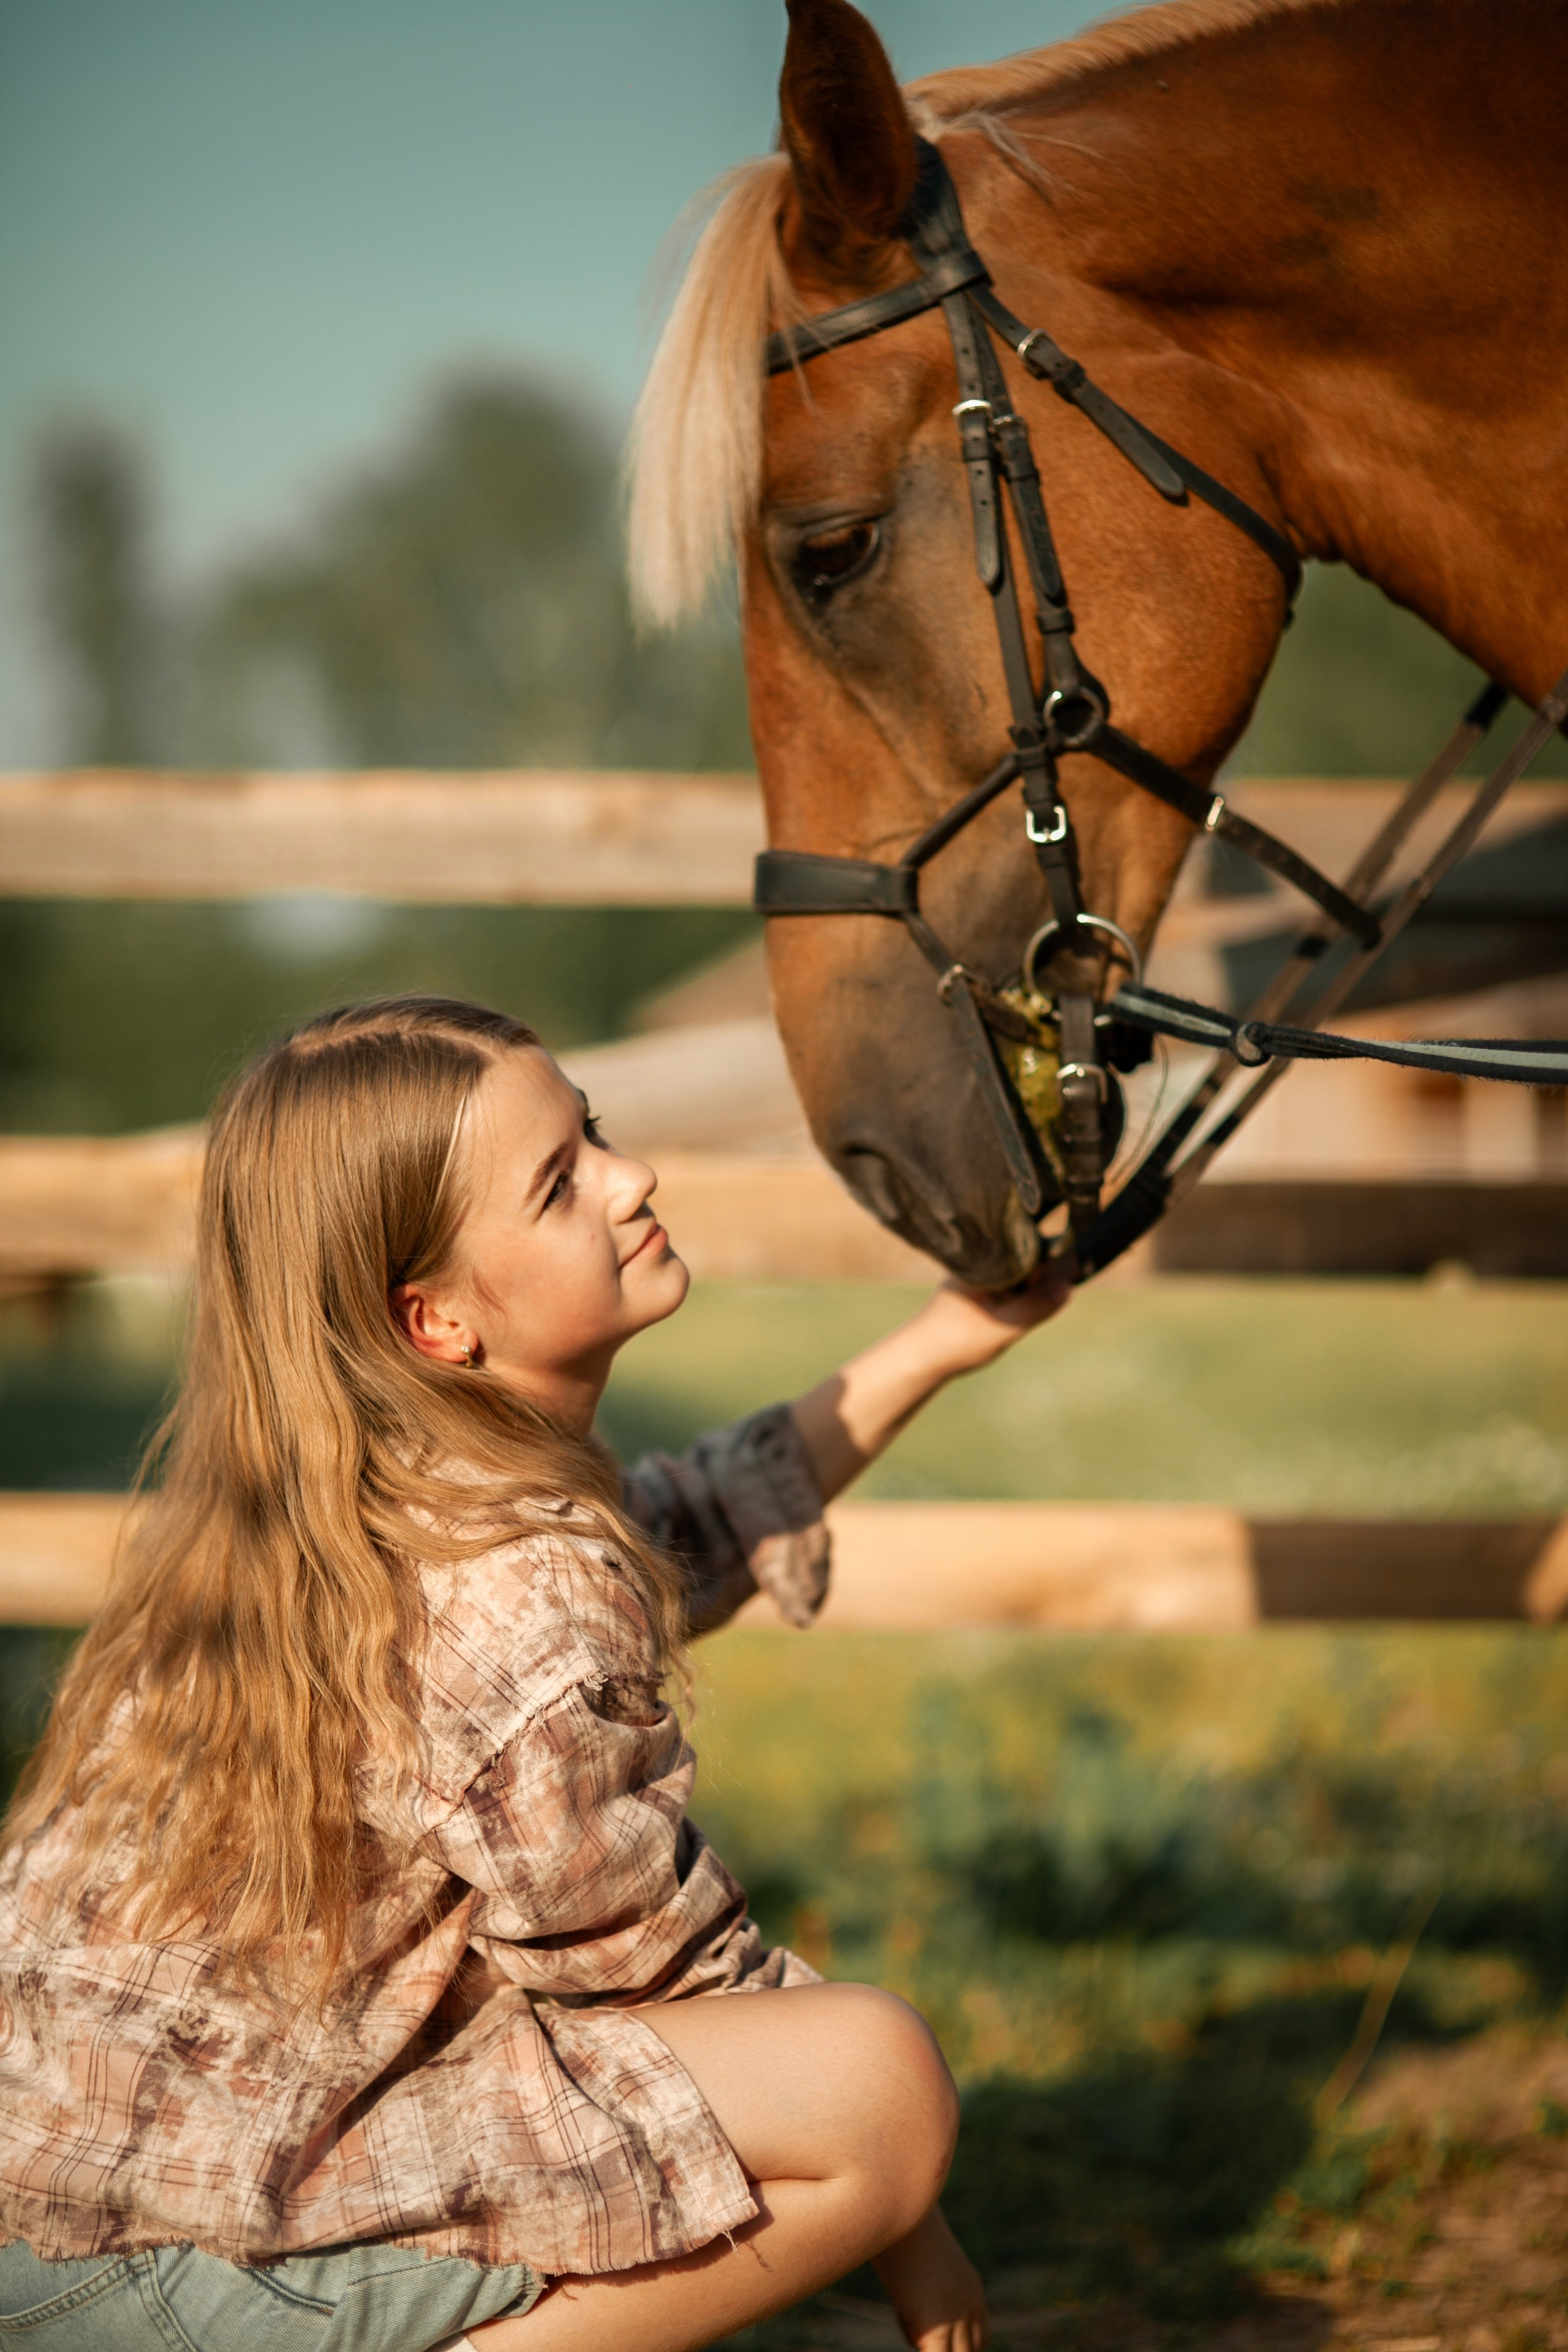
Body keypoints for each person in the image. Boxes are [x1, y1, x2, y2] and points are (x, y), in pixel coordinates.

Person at [0, 995, 1069, 2352]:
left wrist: (937, 1344)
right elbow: (662, 1976)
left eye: (597, 1134)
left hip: (54, 2217)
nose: (633, 1181)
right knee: (879, 2085)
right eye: (562, 1184)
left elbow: (676, 1535)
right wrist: (925, 2247)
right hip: (176, 2276)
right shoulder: (514, 1577)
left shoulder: (367, 1500)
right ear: (435, 1321)